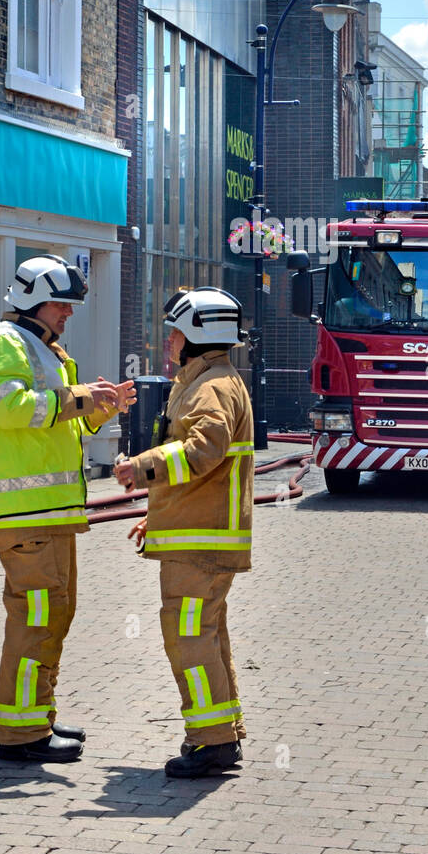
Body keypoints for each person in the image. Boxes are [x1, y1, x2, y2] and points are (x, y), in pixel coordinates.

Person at [0, 254, 136, 764]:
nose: (68, 312)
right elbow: (13, 409)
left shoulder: (44, 349)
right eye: (61, 303)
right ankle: (22, 737)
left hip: (50, 515)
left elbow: (62, 421)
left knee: (54, 615)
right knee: (36, 620)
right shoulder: (8, 344)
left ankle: (35, 717)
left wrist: (101, 406)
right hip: (27, 517)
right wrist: (82, 399)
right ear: (30, 299)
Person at [117, 287, 254, 780]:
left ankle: (211, 742)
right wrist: (160, 516)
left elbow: (205, 449)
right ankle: (223, 731)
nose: (169, 340)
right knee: (207, 635)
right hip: (201, 533)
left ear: (197, 334)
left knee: (189, 638)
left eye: (175, 331)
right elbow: (206, 472)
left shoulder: (210, 387)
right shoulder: (212, 379)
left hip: (200, 544)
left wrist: (142, 466)